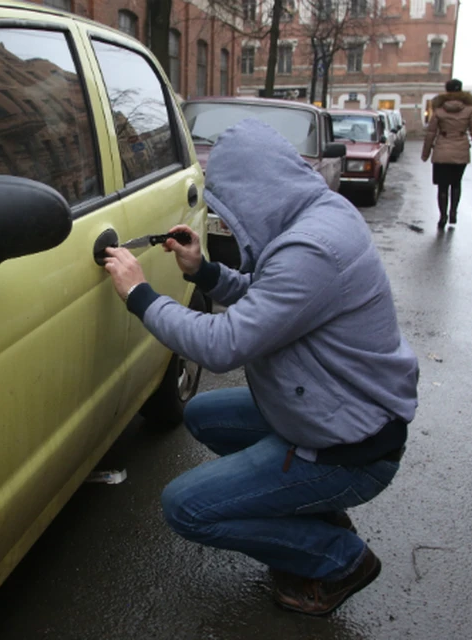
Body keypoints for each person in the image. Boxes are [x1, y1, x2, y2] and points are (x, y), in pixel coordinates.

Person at [102, 119, 419, 616]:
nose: (229, 220)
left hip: (351, 445)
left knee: (186, 506)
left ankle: (340, 559)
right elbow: (272, 301)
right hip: (333, 408)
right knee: (205, 414)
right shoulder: (320, 216)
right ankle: (316, 514)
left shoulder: (312, 248)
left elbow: (224, 344)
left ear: (256, 190)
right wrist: (204, 271)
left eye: (230, 206)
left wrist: (140, 295)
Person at [421, 78, 472, 229]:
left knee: (442, 186)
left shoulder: (439, 109)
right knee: (456, 183)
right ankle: (453, 213)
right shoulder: (469, 110)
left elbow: (430, 133)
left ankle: (442, 216)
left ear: (447, 90)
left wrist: (425, 153)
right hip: (460, 152)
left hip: (442, 151)